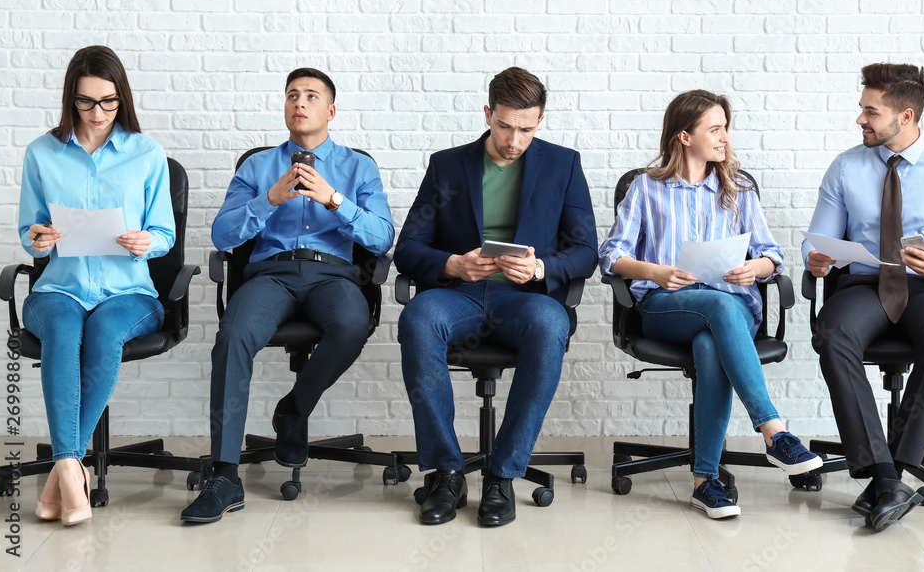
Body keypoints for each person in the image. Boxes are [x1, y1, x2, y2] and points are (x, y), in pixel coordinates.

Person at [180, 68, 394, 523]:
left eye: (312, 96)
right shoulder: (257, 167)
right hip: (270, 276)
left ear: (330, 110)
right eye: (292, 95)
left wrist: (335, 200)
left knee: (353, 323)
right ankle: (224, 475)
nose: (300, 102)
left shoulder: (359, 167)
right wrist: (268, 200)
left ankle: (294, 408)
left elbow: (381, 238)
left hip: (332, 275)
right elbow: (222, 235)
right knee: (234, 334)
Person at [599, 89, 822, 520]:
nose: (724, 139)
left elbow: (772, 254)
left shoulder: (737, 188)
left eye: (725, 129)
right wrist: (655, 272)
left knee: (709, 342)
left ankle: (705, 482)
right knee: (713, 316)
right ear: (684, 136)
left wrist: (753, 269)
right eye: (714, 130)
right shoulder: (647, 189)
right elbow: (610, 255)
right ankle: (774, 430)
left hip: (732, 304)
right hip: (667, 306)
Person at [395, 67, 597, 527]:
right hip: (460, 293)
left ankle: (502, 474)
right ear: (488, 114)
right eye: (505, 125)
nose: (514, 139)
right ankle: (446, 471)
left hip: (526, 298)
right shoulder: (448, 165)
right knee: (418, 320)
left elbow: (585, 251)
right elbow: (408, 247)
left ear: (540, 120)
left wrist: (542, 268)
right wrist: (453, 264)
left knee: (550, 325)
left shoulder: (563, 165)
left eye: (526, 128)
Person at [804, 63, 924, 532]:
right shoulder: (846, 167)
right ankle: (888, 477)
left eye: (871, 111)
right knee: (832, 331)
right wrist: (818, 258)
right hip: (865, 284)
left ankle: (896, 469)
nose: (860, 120)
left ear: (905, 116)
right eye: (861, 109)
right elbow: (818, 239)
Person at [18, 45, 175, 526]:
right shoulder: (41, 153)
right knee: (64, 331)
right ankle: (73, 468)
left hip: (129, 294)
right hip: (58, 289)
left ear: (122, 98)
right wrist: (39, 240)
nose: (99, 113)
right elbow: (30, 230)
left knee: (105, 332)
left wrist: (145, 241)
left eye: (109, 102)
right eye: (87, 102)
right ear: (71, 99)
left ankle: (63, 470)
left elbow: (165, 236)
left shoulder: (146, 154)